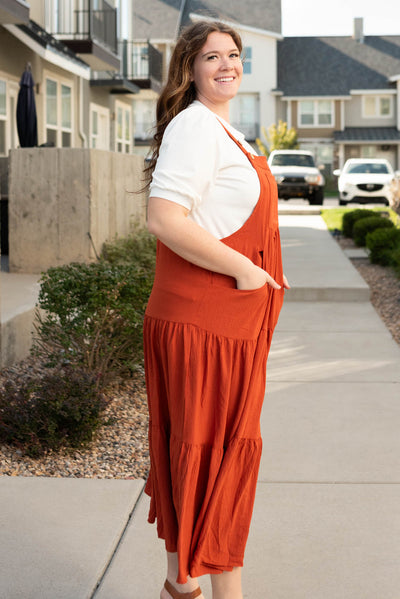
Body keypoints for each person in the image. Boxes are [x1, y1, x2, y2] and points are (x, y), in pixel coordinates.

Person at [143, 20, 290, 599]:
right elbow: (164, 219)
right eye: (212, 57)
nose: (227, 64)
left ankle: (182, 590)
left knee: (213, 456)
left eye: (234, 55)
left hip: (233, 324)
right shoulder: (195, 128)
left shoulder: (226, 131)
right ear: (190, 68)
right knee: (209, 457)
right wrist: (245, 269)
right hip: (205, 323)